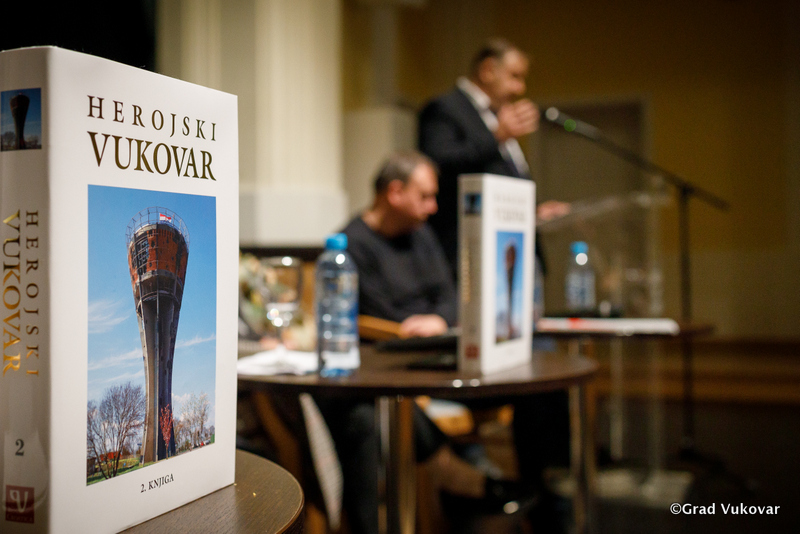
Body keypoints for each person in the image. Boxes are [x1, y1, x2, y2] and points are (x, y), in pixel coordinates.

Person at [330, 150, 569, 533]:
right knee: (363, 416)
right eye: (425, 196)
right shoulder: (352, 245)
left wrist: (439, 320)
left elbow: (452, 294)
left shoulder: (421, 234)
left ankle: (544, 498)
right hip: (401, 359)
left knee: (538, 378)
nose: (433, 207)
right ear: (395, 192)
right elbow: (376, 315)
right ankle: (473, 485)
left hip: (446, 344)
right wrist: (420, 327)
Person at [418, 37, 569, 278]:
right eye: (515, 76)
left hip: (512, 254)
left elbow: (498, 178)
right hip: (471, 258)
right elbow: (438, 165)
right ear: (488, 70)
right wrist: (497, 136)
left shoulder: (496, 115)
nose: (520, 89)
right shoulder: (445, 108)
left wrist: (533, 211)